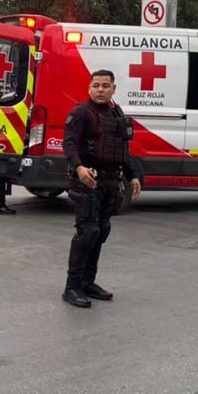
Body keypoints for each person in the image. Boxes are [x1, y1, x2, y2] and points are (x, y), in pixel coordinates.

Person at [61, 69, 143, 308]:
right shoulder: (81, 113)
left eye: (105, 85)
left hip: (110, 182)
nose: (100, 89)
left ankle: (88, 283)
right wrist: (78, 168)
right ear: (89, 87)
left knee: (102, 230)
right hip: (87, 181)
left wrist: (133, 175)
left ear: (113, 89)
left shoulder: (117, 113)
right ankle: (72, 287)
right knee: (88, 232)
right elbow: (69, 143)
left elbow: (121, 150)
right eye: (96, 85)